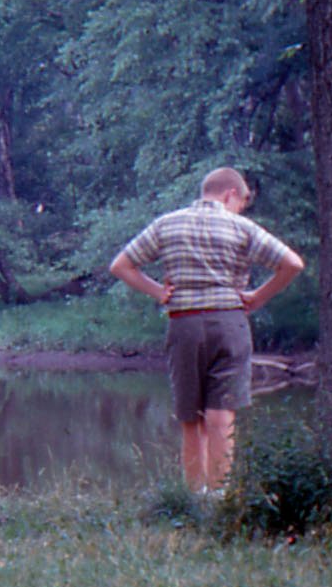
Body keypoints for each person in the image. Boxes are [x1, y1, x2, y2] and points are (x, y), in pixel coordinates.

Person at [109, 167, 304, 497]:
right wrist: (258, 296)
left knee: (190, 416)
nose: (240, 209)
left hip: (183, 323)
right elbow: (292, 264)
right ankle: (220, 496)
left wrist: (158, 292)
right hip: (229, 323)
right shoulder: (241, 226)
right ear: (231, 194)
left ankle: (192, 497)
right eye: (241, 202)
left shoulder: (166, 224)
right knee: (221, 413)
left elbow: (121, 265)